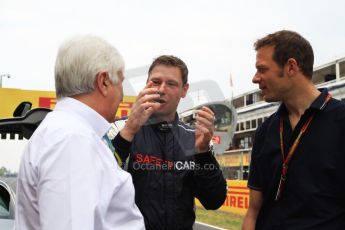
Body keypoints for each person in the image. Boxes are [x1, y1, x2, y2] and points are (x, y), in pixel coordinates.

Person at [15, 35, 145, 230]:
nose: (122, 94)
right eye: (121, 83)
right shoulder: (72, 139)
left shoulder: (69, 132)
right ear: (103, 82)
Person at [242, 30, 345, 230]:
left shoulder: (341, 121)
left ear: (291, 67)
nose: (255, 78)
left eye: (262, 69)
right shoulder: (265, 131)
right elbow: (253, 211)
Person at [111, 55, 227, 230]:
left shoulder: (194, 138)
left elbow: (213, 200)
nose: (162, 89)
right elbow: (100, 185)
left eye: (171, 84)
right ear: (146, 84)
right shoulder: (119, 128)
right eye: (156, 82)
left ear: (184, 90)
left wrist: (203, 153)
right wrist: (128, 132)